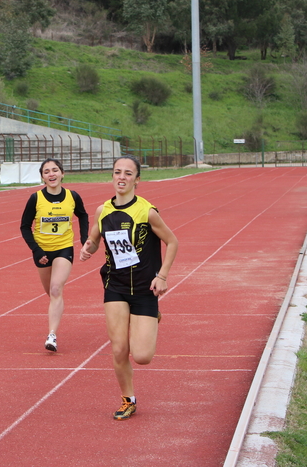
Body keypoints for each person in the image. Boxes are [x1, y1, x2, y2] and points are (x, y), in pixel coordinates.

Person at [79, 155, 179, 421]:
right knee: (119, 349)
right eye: (117, 172)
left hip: (146, 288)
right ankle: (128, 399)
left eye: (127, 173)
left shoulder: (147, 212)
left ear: (137, 180)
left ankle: (151, 318)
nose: (121, 177)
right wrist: (88, 248)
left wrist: (163, 276)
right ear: (112, 176)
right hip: (115, 287)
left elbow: (173, 242)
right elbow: (94, 238)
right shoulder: (103, 211)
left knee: (143, 356)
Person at [20, 158, 89, 352]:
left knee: (56, 288)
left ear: (62, 173)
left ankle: (52, 335)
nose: (52, 174)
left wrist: (84, 240)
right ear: (42, 177)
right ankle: (55, 313)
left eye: (55, 170)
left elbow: (83, 215)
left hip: (64, 248)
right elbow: (25, 227)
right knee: (51, 293)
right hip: (42, 252)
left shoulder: (72, 196)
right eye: (47, 171)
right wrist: (36, 249)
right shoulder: (36, 199)